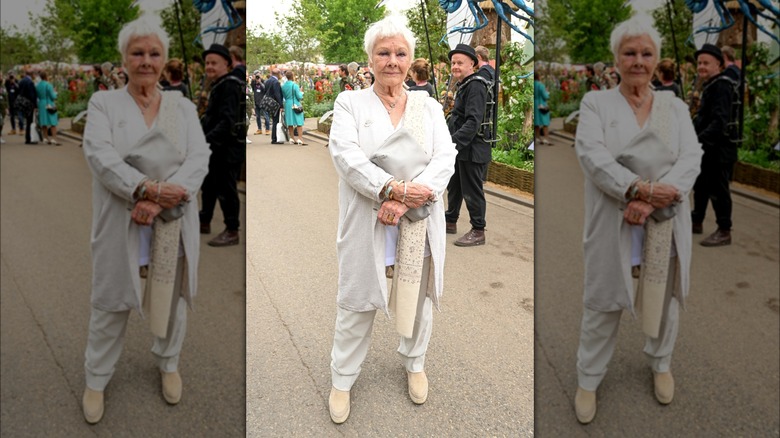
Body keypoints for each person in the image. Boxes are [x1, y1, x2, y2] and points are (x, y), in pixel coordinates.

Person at [326, 14, 456, 424]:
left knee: (417, 299)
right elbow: (346, 157)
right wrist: (391, 189)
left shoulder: (427, 106)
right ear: (370, 58)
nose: (392, 61)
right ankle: (342, 379)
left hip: (417, 219)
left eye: (400, 53)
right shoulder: (350, 103)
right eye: (383, 52)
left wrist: (409, 198)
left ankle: (414, 362)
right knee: (357, 302)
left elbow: (445, 157)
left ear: (410, 59)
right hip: (369, 219)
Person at [572, 15, 702, 424]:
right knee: (603, 302)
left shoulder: (673, 106)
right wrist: (637, 189)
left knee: (664, 299)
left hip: (665, 217)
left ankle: (661, 362)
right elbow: (592, 156)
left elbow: (691, 157)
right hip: (614, 217)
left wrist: (657, 197)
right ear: (616, 58)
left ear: (656, 59)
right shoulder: (596, 103)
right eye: (630, 53)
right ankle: (588, 378)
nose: (638, 61)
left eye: (646, 53)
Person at [80, 15, 210, 424]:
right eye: (138, 53)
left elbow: (198, 157)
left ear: (164, 59)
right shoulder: (105, 104)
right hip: (123, 217)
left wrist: (163, 198)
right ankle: (96, 378)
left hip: (172, 217)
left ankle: (168, 362)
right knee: (111, 302)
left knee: (171, 298)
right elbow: (100, 156)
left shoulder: (179, 105)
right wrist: (145, 189)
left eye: (154, 53)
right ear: (124, 58)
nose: (146, 61)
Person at [691, 43, 738, 247]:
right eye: (699, 62)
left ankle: (724, 230)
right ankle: (696, 220)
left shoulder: (722, 85)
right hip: (707, 147)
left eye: (706, 63)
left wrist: (697, 140)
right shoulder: (711, 84)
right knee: (700, 185)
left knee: (719, 190)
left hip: (719, 149)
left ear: (718, 64)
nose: (701, 66)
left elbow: (719, 121)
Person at [444, 43, 491, 247]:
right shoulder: (464, 84)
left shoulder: (476, 85)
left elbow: (474, 121)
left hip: (472, 149)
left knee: (472, 190)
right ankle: (450, 220)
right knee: (454, 186)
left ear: (472, 63)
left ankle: (478, 230)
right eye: (453, 62)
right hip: (460, 148)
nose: (455, 66)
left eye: (460, 62)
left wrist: (451, 143)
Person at [199, 43, 245, 247]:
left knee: (226, 189)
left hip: (227, 148)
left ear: (226, 63)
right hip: (215, 147)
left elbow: (227, 122)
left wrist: (205, 141)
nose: (209, 66)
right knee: (208, 185)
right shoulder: (219, 84)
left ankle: (232, 230)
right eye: (207, 62)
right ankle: (204, 220)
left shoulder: (230, 85)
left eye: (213, 63)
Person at [281, 70, 306, 145]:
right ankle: (300, 138)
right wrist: (301, 92)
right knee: (299, 121)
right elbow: (299, 96)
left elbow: (284, 96)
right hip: (295, 103)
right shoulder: (295, 85)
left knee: (290, 121)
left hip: (287, 104)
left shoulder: (283, 86)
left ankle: (292, 138)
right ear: (292, 76)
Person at [35, 71, 60, 145]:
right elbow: (53, 97)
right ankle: (54, 138)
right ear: (46, 76)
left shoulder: (38, 85)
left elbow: (38, 95)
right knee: (53, 122)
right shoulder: (48, 85)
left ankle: (45, 138)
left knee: (43, 121)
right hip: (49, 103)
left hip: (41, 104)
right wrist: (55, 92)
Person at [17, 70, 38, 145]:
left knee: (28, 120)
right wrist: (35, 105)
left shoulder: (21, 81)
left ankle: (28, 138)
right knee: (30, 121)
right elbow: (32, 95)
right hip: (29, 103)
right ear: (32, 75)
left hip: (23, 103)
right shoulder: (30, 82)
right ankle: (29, 138)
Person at [265, 68, 284, 144]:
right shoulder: (276, 82)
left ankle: (274, 138)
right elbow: (277, 94)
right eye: (280, 74)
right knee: (276, 121)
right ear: (278, 74)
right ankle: (274, 139)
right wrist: (281, 105)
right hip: (275, 103)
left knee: (274, 120)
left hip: (269, 103)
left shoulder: (268, 81)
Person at [534, 72, 551, 145]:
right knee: (545, 122)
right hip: (541, 104)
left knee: (536, 122)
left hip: (535, 103)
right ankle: (545, 138)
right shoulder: (540, 85)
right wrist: (547, 92)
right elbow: (545, 96)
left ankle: (537, 138)